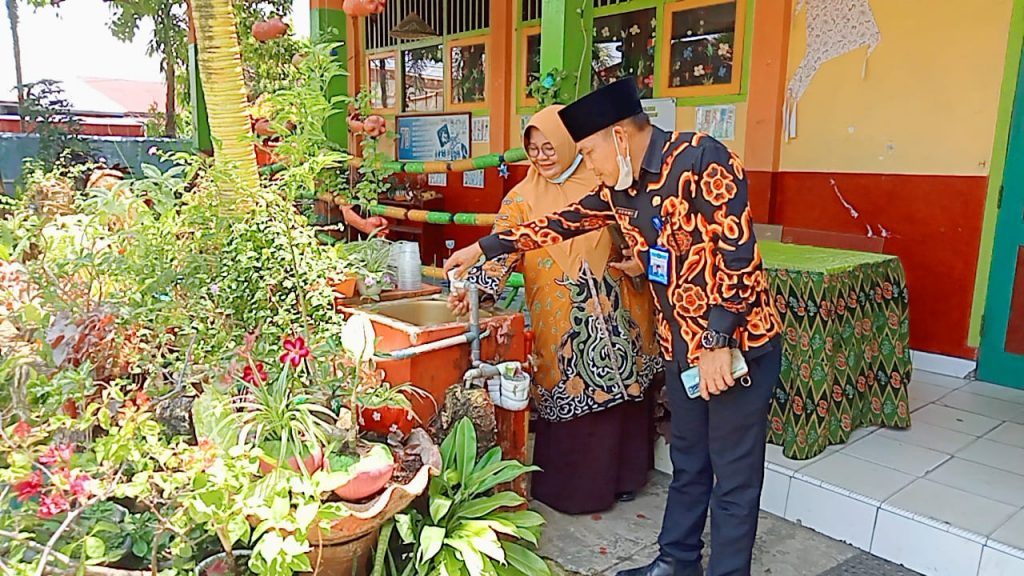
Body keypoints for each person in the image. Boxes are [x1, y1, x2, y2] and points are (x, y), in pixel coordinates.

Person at [444, 78, 782, 576]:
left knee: (732, 478)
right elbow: (563, 221)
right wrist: (486, 247)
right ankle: (676, 562)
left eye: (590, 150)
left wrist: (717, 339)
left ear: (619, 136)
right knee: (689, 465)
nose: (590, 163)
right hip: (682, 346)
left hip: (736, 347)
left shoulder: (702, 159)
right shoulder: (619, 188)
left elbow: (739, 259)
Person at [448, 105, 662, 514]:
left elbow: (637, 229)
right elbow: (501, 251)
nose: (543, 156)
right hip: (565, 320)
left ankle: (625, 478)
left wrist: (640, 255)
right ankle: (574, 491)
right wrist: (478, 290)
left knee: (625, 397)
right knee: (573, 394)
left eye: (550, 146)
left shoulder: (605, 182)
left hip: (621, 308)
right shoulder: (521, 199)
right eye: (533, 149)